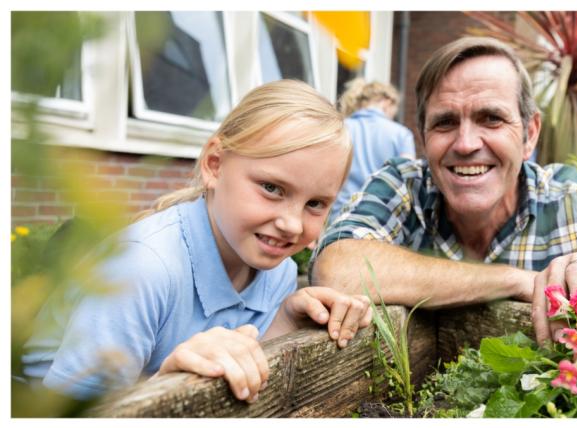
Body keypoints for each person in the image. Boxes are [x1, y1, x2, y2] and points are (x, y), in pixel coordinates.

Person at [22, 80, 373, 402]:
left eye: (316, 204)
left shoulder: (277, 271)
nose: (291, 225)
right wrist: (167, 384)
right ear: (214, 165)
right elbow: (70, 412)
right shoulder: (142, 269)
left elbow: (246, 379)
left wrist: (286, 321)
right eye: (271, 188)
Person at [310, 37, 577, 346]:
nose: (466, 144)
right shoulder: (405, 186)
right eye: (445, 122)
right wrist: (512, 280)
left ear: (530, 134)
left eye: (492, 119)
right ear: (423, 138)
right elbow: (336, 269)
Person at [330, 78, 416, 221]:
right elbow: (409, 180)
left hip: (339, 216)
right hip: (381, 218)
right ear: (387, 102)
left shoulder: (339, 128)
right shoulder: (402, 134)